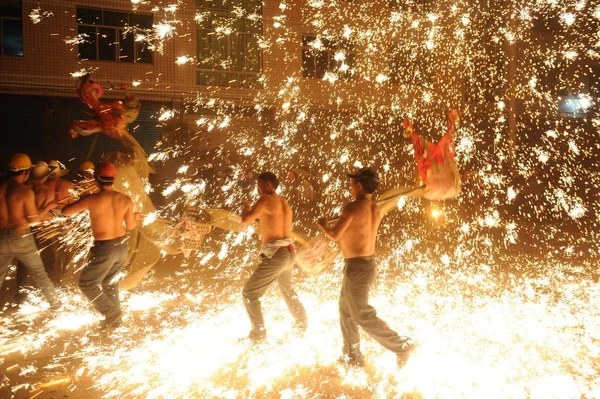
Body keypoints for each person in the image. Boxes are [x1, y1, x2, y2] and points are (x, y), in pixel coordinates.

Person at [318, 167, 414, 368]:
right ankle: (352, 355)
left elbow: (334, 235)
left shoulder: (352, 208)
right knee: (346, 311)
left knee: (361, 314)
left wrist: (324, 225)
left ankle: (402, 345)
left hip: (357, 268)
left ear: (359, 185)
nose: (350, 185)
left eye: (352, 182)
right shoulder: (375, 208)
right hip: (365, 265)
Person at [62, 161, 138, 328]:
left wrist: (80, 200)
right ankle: (115, 321)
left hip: (105, 248)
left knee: (87, 284)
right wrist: (137, 217)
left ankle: (112, 313)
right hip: (122, 246)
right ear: (114, 178)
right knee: (109, 282)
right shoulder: (125, 199)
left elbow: (65, 212)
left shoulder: (92, 199)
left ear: (95, 179)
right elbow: (131, 226)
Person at [240, 172, 307, 342]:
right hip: (289, 253)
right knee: (287, 291)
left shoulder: (265, 199)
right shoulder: (284, 202)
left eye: (259, 185)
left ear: (268, 185)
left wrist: (245, 206)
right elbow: (272, 223)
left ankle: (258, 335)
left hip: (277, 255)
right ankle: (302, 323)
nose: (258, 189)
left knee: (249, 293)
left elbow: (246, 219)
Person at [0, 154, 60, 309]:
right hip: (21, 238)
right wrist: (47, 208)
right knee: (39, 273)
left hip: (1, 238)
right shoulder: (24, 192)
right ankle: (56, 305)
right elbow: (34, 220)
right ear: (26, 172)